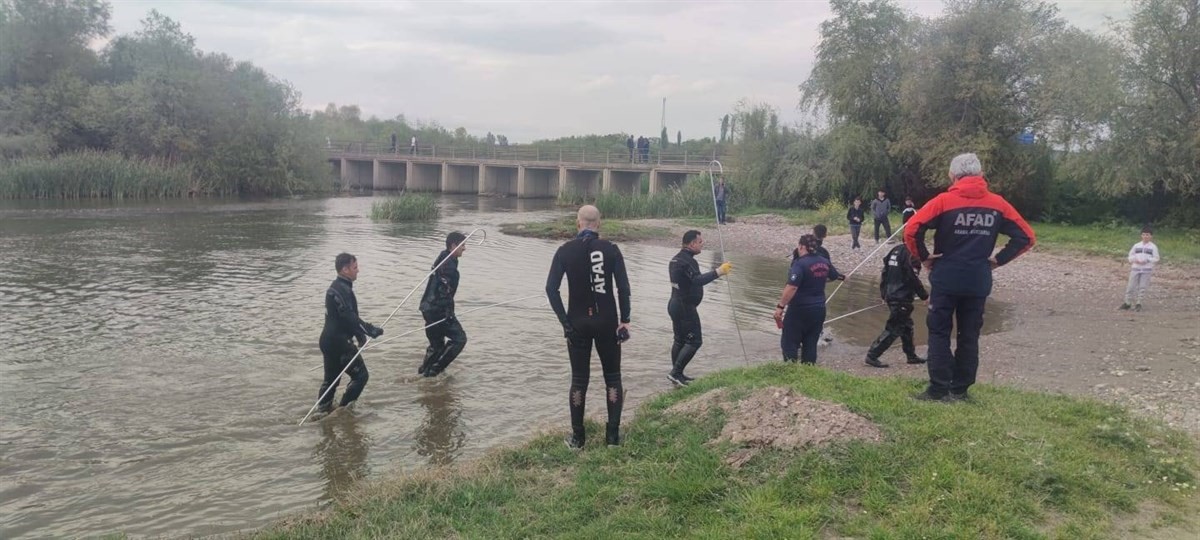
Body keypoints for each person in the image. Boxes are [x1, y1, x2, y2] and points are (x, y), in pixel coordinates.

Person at [904, 153, 1035, 402]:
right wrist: (999, 260)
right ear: (981, 176)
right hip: (978, 280)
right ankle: (961, 390)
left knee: (939, 332)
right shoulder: (998, 204)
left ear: (953, 176)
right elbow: (1026, 237)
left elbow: (912, 229)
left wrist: (924, 257)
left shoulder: (943, 201)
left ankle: (938, 389)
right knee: (969, 334)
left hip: (946, 277)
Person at [546, 205, 632, 449]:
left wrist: (565, 323)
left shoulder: (565, 251)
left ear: (578, 223)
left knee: (579, 380)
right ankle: (612, 437)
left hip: (577, 323)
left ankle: (577, 439)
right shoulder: (611, 249)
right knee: (613, 377)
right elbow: (623, 288)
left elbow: (551, 290)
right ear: (599, 224)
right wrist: (624, 320)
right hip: (607, 322)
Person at [317, 253, 384, 414]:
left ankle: (322, 411)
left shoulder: (339, 286)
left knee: (331, 381)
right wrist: (369, 330)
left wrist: (361, 337)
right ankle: (342, 411)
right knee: (361, 376)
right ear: (345, 269)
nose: (358, 271)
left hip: (328, 341)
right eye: (355, 267)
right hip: (340, 343)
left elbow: (347, 317)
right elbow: (348, 316)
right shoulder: (342, 289)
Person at [667, 230, 733, 386]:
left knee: (679, 341)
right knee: (695, 341)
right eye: (700, 242)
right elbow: (697, 281)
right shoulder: (687, 261)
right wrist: (719, 271)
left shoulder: (675, 260)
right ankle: (676, 373)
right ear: (692, 244)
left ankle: (677, 374)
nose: (702, 244)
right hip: (684, 307)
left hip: (674, 304)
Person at [774, 234, 843, 364]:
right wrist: (819, 279)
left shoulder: (799, 264)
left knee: (789, 342)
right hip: (819, 310)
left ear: (801, 246)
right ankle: (808, 370)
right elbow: (834, 276)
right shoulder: (824, 261)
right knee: (810, 343)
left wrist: (780, 307)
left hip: (799, 310)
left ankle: (790, 371)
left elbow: (791, 287)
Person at [864, 243, 929, 368]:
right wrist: (924, 295)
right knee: (894, 328)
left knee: (907, 326)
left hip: (893, 294)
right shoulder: (910, 253)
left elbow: (885, 271)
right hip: (901, 296)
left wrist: (884, 293)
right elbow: (912, 277)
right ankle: (872, 355)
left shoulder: (896, 249)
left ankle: (911, 356)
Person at [418, 232, 469, 377]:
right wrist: (449, 313)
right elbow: (443, 292)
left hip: (427, 308)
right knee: (459, 339)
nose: (464, 248)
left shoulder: (444, 257)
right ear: (453, 246)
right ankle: (434, 370)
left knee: (437, 345)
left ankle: (424, 373)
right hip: (437, 310)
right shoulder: (448, 266)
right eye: (462, 245)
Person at [1119, 227, 1159, 312]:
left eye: (1147, 235)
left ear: (1151, 236)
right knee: (1130, 286)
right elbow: (1130, 256)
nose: (1145, 236)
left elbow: (1156, 258)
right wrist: (1135, 260)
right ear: (1141, 235)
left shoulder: (1153, 247)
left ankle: (1139, 303)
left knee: (1142, 287)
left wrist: (1147, 260)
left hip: (1146, 269)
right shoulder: (1136, 245)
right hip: (1135, 268)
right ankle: (1127, 303)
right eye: (1144, 234)